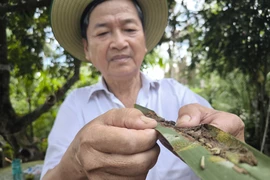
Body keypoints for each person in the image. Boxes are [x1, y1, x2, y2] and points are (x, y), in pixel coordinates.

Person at [41, 0, 245, 179]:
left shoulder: (178, 94)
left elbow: (224, 155)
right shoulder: (76, 104)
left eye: (129, 29)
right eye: (103, 33)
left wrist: (233, 147)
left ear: (144, 40)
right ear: (87, 48)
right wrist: (76, 162)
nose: (119, 43)